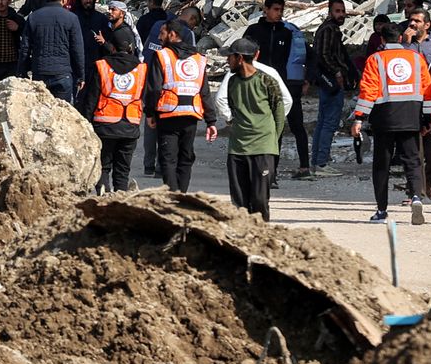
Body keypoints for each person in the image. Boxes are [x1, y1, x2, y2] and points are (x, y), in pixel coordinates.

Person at [351, 22, 431, 225]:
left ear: (381, 39)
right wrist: (427, 117)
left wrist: (359, 118)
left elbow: (368, 90)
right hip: (411, 116)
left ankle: (381, 210)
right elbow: (427, 88)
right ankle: (416, 197)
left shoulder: (375, 59)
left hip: (384, 118)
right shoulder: (416, 58)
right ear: (400, 39)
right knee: (413, 161)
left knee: (382, 165)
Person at [209, 39, 287, 219]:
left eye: (230, 57)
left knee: (260, 200)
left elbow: (279, 112)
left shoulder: (267, 81)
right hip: (237, 148)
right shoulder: (232, 82)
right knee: (239, 203)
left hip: (263, 148)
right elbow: (232, 108)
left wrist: (272, 140)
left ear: (240, 58)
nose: (227, 61)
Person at [243, 0, 311, 181]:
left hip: (282, 85)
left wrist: (301, 80)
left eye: (281, 10)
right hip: (257, 85)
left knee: (285, 127)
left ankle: (284, 171)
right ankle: (262, 172)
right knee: (263, 129)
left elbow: (297, 58)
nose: (278, 13)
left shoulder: (286, 33)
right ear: (265, 9)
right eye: (275, 9)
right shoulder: (254, 30)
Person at [143, 21, 213, 191]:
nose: (159, 37)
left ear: (173, 34)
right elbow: (204, 91)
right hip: (191, 115)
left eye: (162, 33)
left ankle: (174, 196)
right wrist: (211, 120)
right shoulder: (198, 59)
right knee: (186, 157)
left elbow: (154, 88)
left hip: (168, 114)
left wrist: (150, 113)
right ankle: (181, 194)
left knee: (168, 158)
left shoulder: (162, 56)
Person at [87, 16, 146, 193]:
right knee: (122, 169)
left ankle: (104, 198)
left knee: (104, 166)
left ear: (112, 46)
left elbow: (91, 97)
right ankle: (120, 199)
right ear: (130, 47)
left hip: (104, 125)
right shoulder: (141, 69)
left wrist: (86, 121)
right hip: (130, 126)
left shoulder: (102, 66)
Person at [308, 0, 352, 176]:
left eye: (342, 11)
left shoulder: (330, 29)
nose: (341, 14)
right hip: (331, 82)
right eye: (337, 11)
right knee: (329, 122)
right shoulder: (328, 30)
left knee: (323, 121)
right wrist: (338, 73)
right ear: (330, 12)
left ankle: (317, 161)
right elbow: (323, 55)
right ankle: (321, 163)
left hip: (327, 81)